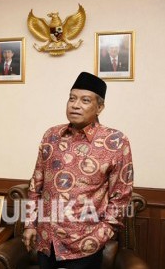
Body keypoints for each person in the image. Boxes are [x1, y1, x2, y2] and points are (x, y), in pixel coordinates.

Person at [22, 72, 134, 269]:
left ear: (100, 107)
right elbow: (35, 185)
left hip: (85, 246)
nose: (75, 105)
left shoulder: (115, 141)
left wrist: (101, 235)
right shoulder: (51, 135)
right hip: (47, 242)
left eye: (85, 100)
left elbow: (121, 196)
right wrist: (30, 224)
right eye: (72, 98)